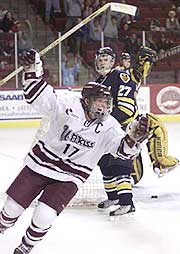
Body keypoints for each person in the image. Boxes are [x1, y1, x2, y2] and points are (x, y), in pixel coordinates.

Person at [0, 49, 148, 254]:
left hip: (70, 177)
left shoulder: (110, 125)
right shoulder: (68, 104)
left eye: (107, 103)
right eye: (100, 102)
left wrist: (134, 138)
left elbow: (122, 152)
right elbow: (39, 97)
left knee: (44, 216)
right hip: (39, 165)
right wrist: (31, 69)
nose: (103, 107)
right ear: (87, 100)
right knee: (11, 210)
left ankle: (25, 247)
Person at [95, 47, 179, 212]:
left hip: (125, 129)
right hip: (108, 130)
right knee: (104, 163)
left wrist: (143, 64)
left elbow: (126, 108)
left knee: (120, 162)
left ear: (112, 62)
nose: (102, 61)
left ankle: (161, 163)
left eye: (106, 59)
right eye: (100, 58)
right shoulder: (98, 82)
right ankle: (114, 197)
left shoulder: (121, 75)